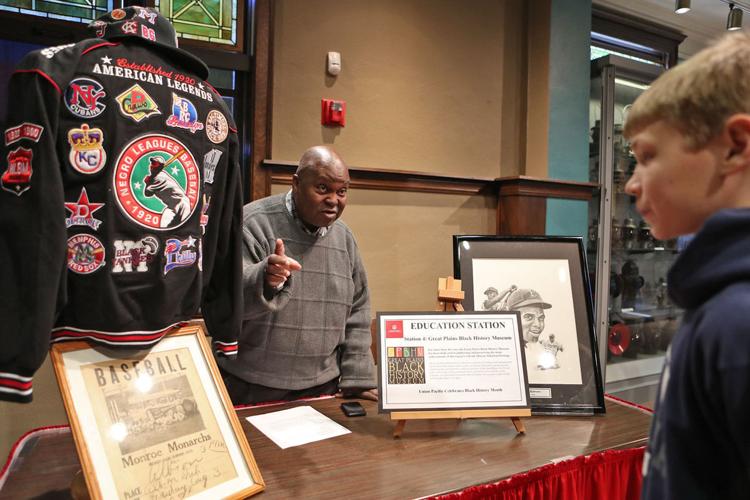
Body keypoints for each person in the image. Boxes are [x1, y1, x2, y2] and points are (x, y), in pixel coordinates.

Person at [0, 7, 243, 403]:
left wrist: (15, 352)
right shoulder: (214, 103)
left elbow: (29, 214)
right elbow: (225, 227)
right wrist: (227, 328)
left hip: (75, 318)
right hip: (177, 323)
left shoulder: (51, 69)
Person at [622, 32, 750, 499]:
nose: (633, 184)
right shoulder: (715, 303)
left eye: (648, 156)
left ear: (735, 146)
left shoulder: (737, 322)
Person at [217, 146, 377, 404]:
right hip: (250, 385)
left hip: (323, 387)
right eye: (322, 188)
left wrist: (358, 377)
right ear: (296, 184)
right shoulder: (253, 223)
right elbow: (224, 300)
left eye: (342, 191)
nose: (333, 200)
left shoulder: (344, 238)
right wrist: (266, 279)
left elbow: (358, 310)